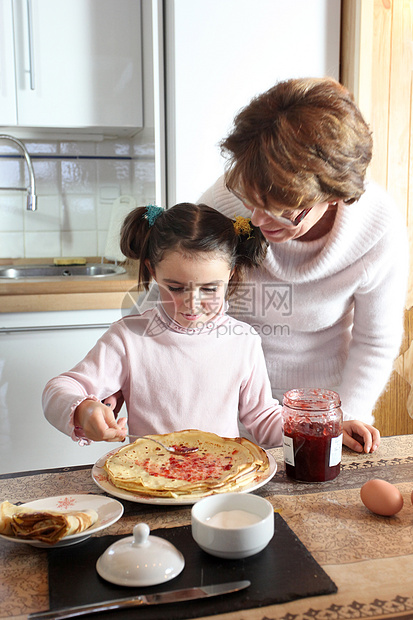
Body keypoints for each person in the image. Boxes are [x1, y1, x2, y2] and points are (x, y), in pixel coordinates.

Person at [199, 77, 408, 452]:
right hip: (225, 405)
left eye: (283, 214)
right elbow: (168, 299)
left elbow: (375, 340)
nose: (260, 223)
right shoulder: (226, 201)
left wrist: (344, 415)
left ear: (334, 195)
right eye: (252, 204)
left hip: (322, 411)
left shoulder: (379, 228)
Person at [43, 202, 284, 448]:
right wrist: (84, 409)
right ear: (153, 271)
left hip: (223, 480)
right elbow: (58, 390)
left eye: (210, 288)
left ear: (230, 273)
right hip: (148, 478)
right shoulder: (129, 338)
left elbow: (263, 417)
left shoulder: (244, 341)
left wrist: (304, 426)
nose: (192, 304)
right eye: (176, 288)